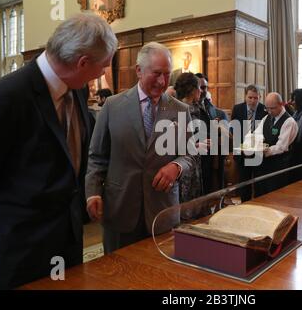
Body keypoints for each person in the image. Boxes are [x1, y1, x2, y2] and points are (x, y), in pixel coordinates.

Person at [0, 14, 117, 289]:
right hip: (21, 250)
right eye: (103, 66)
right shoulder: (7, 96)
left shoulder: (77, 89)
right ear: (82, 63)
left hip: (68, 240)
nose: (103, 73)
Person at [85, 42, 195, 254]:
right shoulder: (112, 106)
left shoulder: (180, 110)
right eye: (156, 74)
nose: (162, 81)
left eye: (166, 74)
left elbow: (190, 155)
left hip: (163, 213)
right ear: (138, 70)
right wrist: (93, 193)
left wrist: (176, 166)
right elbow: (97, 157)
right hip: (120, 211)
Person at [245, 92, 298, 198]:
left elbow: (281, 146)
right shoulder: (266, 118)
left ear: (281, 104)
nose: (269, 111)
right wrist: (250, 144)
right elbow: (257, 134)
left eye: (272, 108)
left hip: (278, 166)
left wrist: (265, 150)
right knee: (260, 195)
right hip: (263, 166)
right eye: (267, 108)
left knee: (275, 197)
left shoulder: (289, 122)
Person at [231, 85, 268, 202]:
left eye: (256, 98)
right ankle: (245, 204)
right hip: (242, 152)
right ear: (245, 96)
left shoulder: (265, 109)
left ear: (260, 97)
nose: (253, 101)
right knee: (244, 182)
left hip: (258, 152)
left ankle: (259, 204)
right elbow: (233, 128)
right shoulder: (237, 108)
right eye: (250, 97)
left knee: (259, 183)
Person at [195, 73, 227, 193]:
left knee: (211, 190)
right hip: (196, 156)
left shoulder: (210, 107)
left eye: (205, 87)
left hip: (213, 156)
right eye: (201, 87)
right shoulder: (188, 107)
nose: (203, 91)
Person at [174, 73, 203, 203]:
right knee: (185, 201)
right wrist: (196, 146)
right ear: (192, 90)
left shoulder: (196, 108)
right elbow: (174, 142)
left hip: (194, 161)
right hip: (182, 163)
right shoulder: (179, 109)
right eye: (199, 87)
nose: (201, 91)